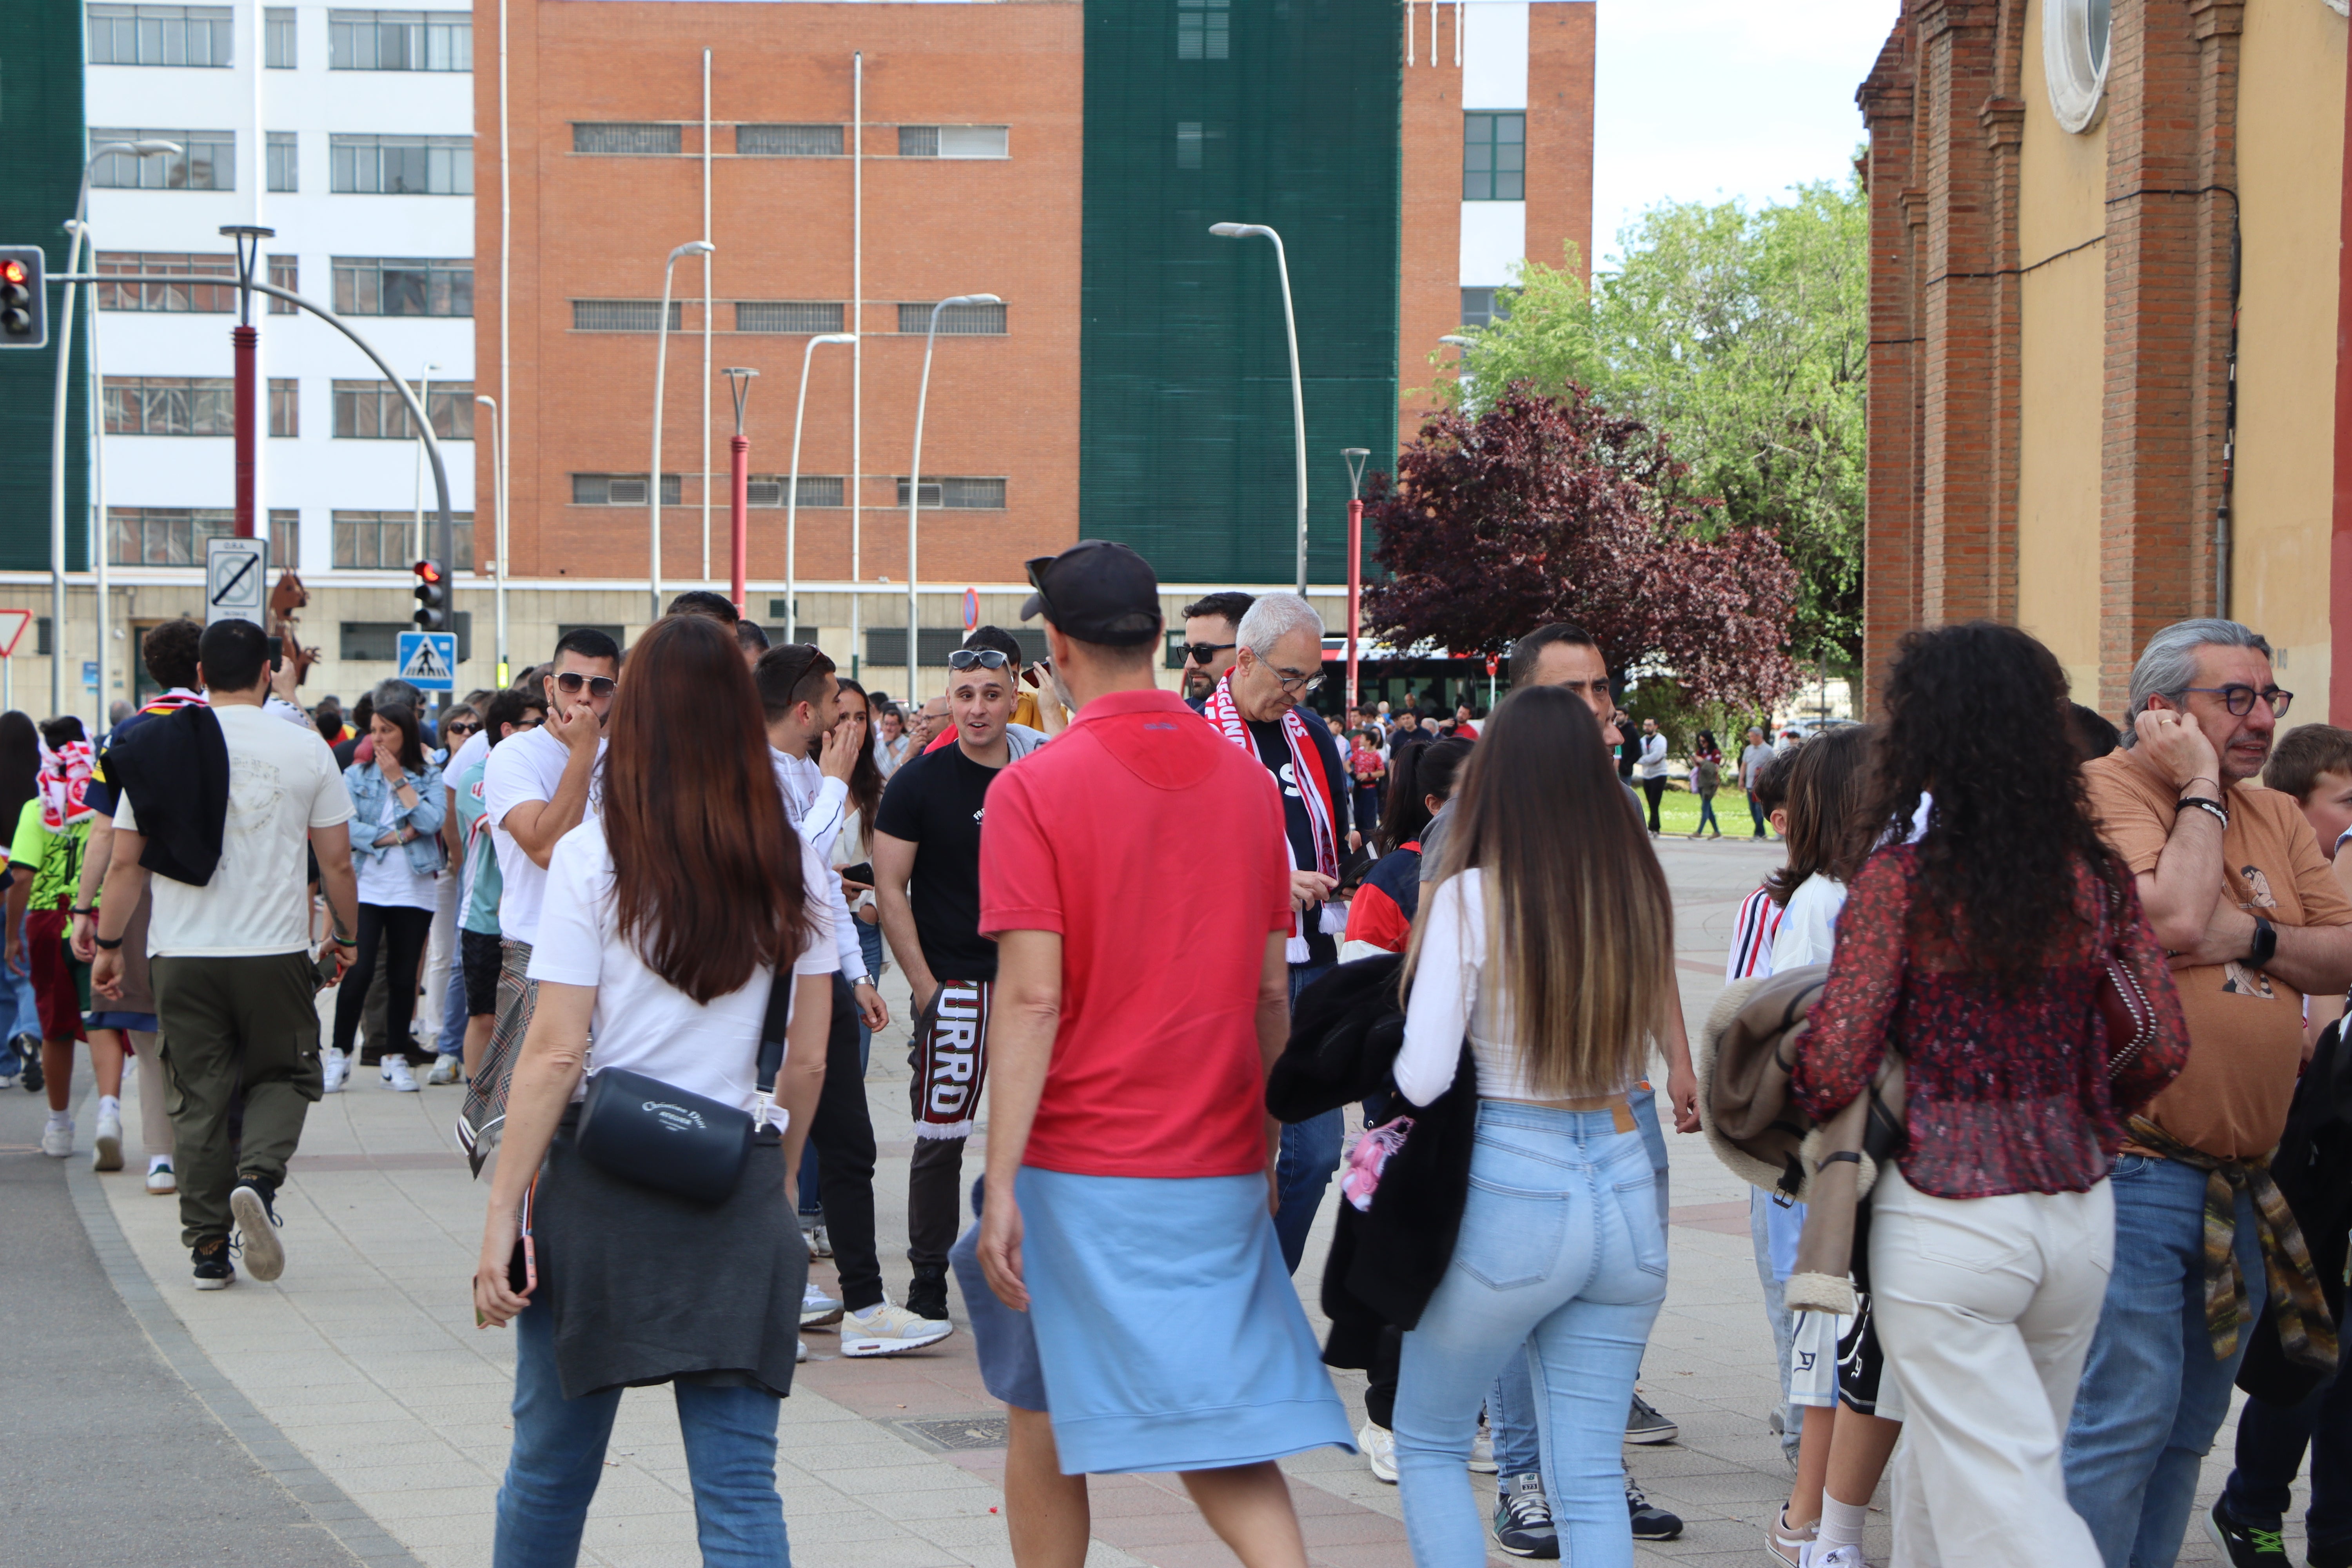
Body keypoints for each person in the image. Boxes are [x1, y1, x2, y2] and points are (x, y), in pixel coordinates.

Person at [970, 539, 1352, 1568]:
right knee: (1222, 1428)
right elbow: (1273, 991)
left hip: (1078, 1162)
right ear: (1158, 636)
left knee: (1045, 1412)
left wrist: (999, 1177)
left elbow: (1034, 996)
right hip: (1217, 1157)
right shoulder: (1241, 788)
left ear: (1052, 647)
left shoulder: (1034, 790)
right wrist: (1268, 1145)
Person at [1788, 622, 2192, 1566]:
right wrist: (2088, 1094)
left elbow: (1837, 1059)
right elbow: (2162, 1041)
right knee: (1964, 1479)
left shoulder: (1900, 882)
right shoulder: (2093, 878)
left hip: (1947, 1213)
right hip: (2078, 1205)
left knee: (2008, 1505)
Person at [468, 612, 837, 1566]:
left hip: (597, 1183)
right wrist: (781, 1178)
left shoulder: (596, 853)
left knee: (551, 1470)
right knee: (740, 1490)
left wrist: (503, 1212)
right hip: (734, 1184)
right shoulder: (793, 856)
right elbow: (806, 1061)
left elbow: (554, 1052)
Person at [2064, 617, 2352, 1568]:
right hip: (2138, 1167)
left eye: (2272, 697)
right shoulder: (2107, 788)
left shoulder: (2272, 812)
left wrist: (2257, 939)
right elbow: (2177, 914)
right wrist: (2195, 787)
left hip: (2244, 1181)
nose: (2263, 717)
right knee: (2124, 1419)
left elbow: (2346, 946)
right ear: (2161, 710)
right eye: (2236, 696)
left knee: (2187, 1427)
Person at [1389, 684, 1673, 1567]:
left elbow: (1426, 1074)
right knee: (1587, 1471)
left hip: (1512, 1177)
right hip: (1625, 1179)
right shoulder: (1636, 888)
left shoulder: (1473, 896)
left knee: (1431, 1439)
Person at [1485, 622, 1696, 1527]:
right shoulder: (1483, 817)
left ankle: (1595, 1470)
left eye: (1602, 688)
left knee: (1616, 1290)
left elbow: (1644, 946)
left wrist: (1677, 1060)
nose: (1597, 707)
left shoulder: (1615, 807)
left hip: (1622, 1100)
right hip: (1518, 1111)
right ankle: (1524, 1477)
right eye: (1572, 691)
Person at [91, 617, 360, 1290]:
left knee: (198, 1097)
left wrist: (106, 945)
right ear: (270, 673)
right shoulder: (305, 748)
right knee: (284, 1075)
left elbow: (126, 866)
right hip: (274, 953)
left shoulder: (153, 744)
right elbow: (337, 863)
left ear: (201, 675)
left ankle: (208, 1249)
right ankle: (259, 1182)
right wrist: (346, 938)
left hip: (181, 953)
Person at [875, 630, 1050, 1332]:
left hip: (1031, 990)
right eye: (965, 696)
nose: (977, 710)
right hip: (955, 987)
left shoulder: (1039, 773)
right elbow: (890, 890)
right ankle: (926, 1285)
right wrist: (925, 990)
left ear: (1014, 699)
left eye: (992, 695)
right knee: (940, 1139)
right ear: (949, 700)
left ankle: (1036, 1277)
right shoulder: (919, 781)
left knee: (1043, 1135)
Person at [755, 642, 926, 1357]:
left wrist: (856, 974)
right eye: (833, 704)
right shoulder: (748, 772)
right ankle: (768, 1301)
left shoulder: (803, 773)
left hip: (821, 977)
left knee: (850, 1146)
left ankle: (865, 1305)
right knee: (769, 1148)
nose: (841, 718)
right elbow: (791, 867)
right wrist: (832, 783)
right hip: (764, 987)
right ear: (804, 710)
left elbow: (824, 885)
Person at [2213, 720, 2352, 1567]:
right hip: (2322, 1144)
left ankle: (2333, 1530)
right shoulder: (2337, 858)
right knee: (2313, 1341)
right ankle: (2259, 1502)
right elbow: (2329, 1010)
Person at [1760, 724, 1897, 1568]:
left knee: (1850, 1344)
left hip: (1871, 1152)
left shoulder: (1872, 888)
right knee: (1829, 1346)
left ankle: (1812, 1516)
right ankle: (1809, 1520)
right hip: (1834, 1158)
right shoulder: (1822, 899)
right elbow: (1796, 1021)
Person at [1200, 590, 1354, 1275]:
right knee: (1245, 1152)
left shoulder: (1313, 736)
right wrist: (1267, 885)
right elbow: (1174, 865)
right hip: (1233, 970)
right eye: (1288, 677)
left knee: (1316, 1152)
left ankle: (1255, 1293)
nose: (1297, 693)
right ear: (1243, 660)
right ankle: (1239, 1300)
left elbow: (1334, 840)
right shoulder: (1195, 734)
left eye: (1309, 679)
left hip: (1314, 963)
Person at [459, 628, 621, 1170]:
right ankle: (522, 1242)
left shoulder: (631, 758)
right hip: (536, 956)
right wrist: (583, 754)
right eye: (572, 682)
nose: (584, 698)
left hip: (617, 956)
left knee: (604, 1120)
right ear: (550, 686)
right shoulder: (515, 756)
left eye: (600, 687)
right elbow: (550, 847)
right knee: (534, 1124)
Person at [71, 617, 207, 1191]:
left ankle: (160, 1157)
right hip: (219, 893)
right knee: (211, 1031)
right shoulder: (224, 726)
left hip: (144, 893)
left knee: (150, 1032)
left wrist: (87, 910)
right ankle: (214, 1147)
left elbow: (105, 833)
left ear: (151, 669)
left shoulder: (125, 737)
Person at [326, 702, 445, 1094]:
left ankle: (395, 1058)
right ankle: (339, 1055)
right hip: (367, 884)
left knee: (403, 973)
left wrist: (398, 779)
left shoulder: (428, 775)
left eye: (386, 730)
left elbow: (430, 822)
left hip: (413, 887)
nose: (377, 738)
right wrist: (394, 836)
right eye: (373, 730)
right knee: (357, 970)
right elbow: (346, 827)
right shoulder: (354, 775)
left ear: (406, 734)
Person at [9, 718, 107, 1161]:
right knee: (104, 1017)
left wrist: (12, 935)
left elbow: (22, 875)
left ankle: (59, 1125)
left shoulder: (36, 808)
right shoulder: (103, 804)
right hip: (98, 918)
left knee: (55, 1026)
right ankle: (110, 1113)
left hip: (47, 924)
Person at [452, 688, 541, 1084]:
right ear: (508, 729)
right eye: (534, 724)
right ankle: (478, 1097)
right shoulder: (478, 777)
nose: (544, 731)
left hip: (528, 919)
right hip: (486, 917)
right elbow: (515, 832)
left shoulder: (541, 770)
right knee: (485, 1015)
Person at [1339, 737, 1472, 964]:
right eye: (1475, 789)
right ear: (1434, 805)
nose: (1495, 799)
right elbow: (1362, 990)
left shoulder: (1517, 863)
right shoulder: (1388, 881)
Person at [0, 712, 41, 1091]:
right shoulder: (39, 786)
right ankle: (29, 1032)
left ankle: (3, 1063)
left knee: (0, 980)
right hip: (26, 885)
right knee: (24, 970)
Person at [1179, 590, 1254, 709]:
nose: (1189, 665)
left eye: (1203, 651)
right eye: (1186, 651)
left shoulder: (1291, 723)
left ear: (1246, 657)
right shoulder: (1179, 721)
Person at [1348, 727, 1387, 838]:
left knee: (1369, 817)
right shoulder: (1359, 752)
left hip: (1370, 789)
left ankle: (1369, 840)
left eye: (1363, 738)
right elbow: (1348, 763)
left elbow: (1382, 772)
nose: (1360, 740)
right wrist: (1352, 775)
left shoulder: (1376, 755)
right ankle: (1358, 838)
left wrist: (1369, 775)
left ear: (1369, 741)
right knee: (1358, 815)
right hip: (1358, 787)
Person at [1633, 717, 1670, 836]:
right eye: (1645, 725)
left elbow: (1657, 756)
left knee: (1655, 801)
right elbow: (1638, 754)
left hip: (1659, 774)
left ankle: (1653, 826)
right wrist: (1642, 760)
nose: (1647, 727)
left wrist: (1642, 760)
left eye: (1649, 725)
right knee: (1650, 801)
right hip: (1647, 775)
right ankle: (1654, 826)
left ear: (1656, 726)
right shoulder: (1642, 740)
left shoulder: (1661, 740)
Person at [1740, 726, 1777, 838]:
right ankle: (1761, 832)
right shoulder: (1748, 749)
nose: (1750, 739)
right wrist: (1741, 779)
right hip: (1750, 784)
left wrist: (1762, 771)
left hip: (1761, 785)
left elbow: (1774, 767)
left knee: (1758, 808)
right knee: (1752, 809)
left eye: (1751, 736)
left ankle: (1759, 833)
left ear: (1759, 736)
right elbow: (1744, 765)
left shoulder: (1768, 750)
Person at [1687, 729, 1723, 839]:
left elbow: (1715, 768)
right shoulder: (1700, 752)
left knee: (1705, 807)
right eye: (1700, 741)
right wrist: (1695, 760)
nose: (1702, 744)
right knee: (1708, 808)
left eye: (1704, 741)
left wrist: (1703, 762)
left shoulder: (1715, 753)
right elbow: (1698, 767)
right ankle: (1717, 832)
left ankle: (1699, 832)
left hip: (1710, 783)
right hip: (1701, 782)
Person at [875, 704, 913, 779]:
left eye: (893, 724)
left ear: (901, 726)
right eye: (886, 724)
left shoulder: (908, 743)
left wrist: (890, 744)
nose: (889, 728)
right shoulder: (878, 742)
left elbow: (902, 763)